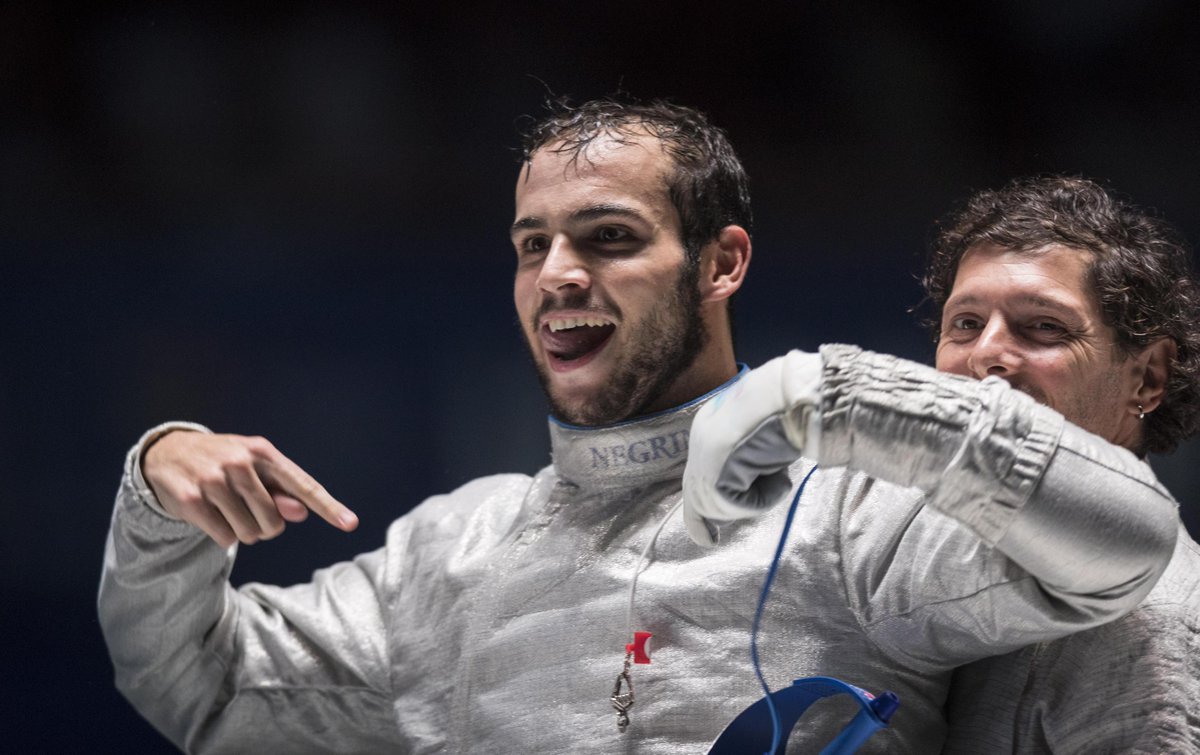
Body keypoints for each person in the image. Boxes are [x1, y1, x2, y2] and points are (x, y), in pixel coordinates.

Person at [100, 99, 1178, 753]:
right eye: (532, 244)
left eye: (608, 237)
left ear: (722, 262)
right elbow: (207, 690)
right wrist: (162, 483)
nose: (558, 274)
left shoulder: (858, 511)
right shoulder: (452, 552)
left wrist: (839, 400)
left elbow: (1126, 548)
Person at [917, 177, 1199, 753]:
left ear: (1148, 376)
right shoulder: (908, 567)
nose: (987, 354)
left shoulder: (1148, 620)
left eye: (1044, 326)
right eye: (966, 323)